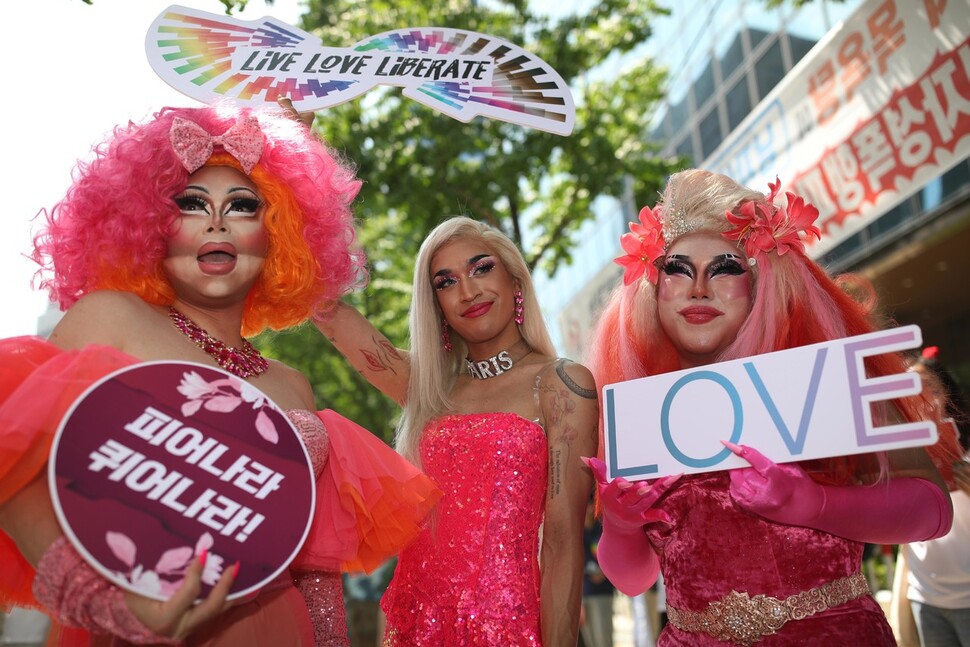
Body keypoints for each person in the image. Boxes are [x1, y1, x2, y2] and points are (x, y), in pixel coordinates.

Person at [0, 104, 439, 645]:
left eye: (243, 206)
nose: (218, 221)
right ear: (151, 228)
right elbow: (14, 472)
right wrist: (114, 608)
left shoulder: (291, 383)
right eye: (191, 204)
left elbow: (312, 565)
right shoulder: (109, 318)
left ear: (279, 233)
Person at [585, 169, 954, 645]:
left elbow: (932, 511)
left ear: (759, 284)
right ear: (651, 288)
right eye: (677, 269)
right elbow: (631, 580)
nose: (699, 288)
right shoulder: (640, 414)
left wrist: (814, 504)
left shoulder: (821, 380)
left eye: (724, 268)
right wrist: (619, 525)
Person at [314, 216, 599, 645]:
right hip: (415, 624)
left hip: (505, 625)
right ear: (437, 307)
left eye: (482, 268)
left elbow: (561, 540)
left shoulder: (561, 383)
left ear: (515, 281)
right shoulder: (430, 387)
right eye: (446, 282)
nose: (468, 291)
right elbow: (329, 315)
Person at [580, 499, 615, 647]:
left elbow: (615, 556)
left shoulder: (602, 528)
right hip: (583, 595)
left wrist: (605, 572)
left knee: (603, 640)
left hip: (602, 593)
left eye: (588, 505)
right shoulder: (576, 533)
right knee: (590, 641)